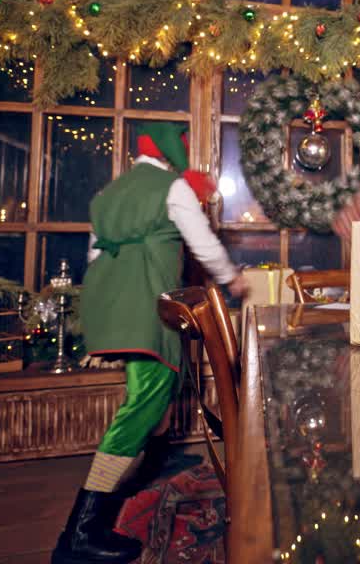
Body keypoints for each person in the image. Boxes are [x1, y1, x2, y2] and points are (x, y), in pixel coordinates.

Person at [53, 121, 249, 564]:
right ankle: (79, 533)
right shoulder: (172, 188)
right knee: (143, 404)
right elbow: (203, 244)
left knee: (153, 391)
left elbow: (95, 254)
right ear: (167, 151)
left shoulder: (109, 193)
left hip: (109, 305)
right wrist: (232, 279)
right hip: (147, 306)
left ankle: (152, 462)